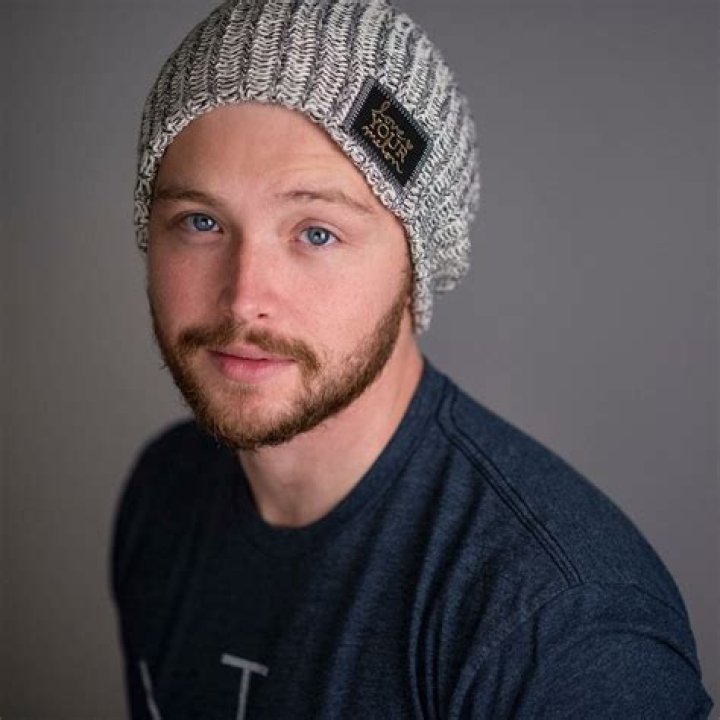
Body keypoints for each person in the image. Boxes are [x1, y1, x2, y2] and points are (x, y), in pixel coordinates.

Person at [111, 0, 713, 717]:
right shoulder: (165, 492)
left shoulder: (563, 627)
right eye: (201, 222)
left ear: (415, 265)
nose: (244, 300)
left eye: (317, 233)